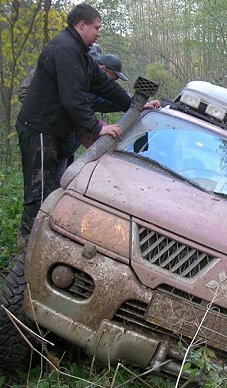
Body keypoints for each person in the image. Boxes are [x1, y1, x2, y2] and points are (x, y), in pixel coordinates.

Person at [15, 3, 158, 251]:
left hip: (57, 134)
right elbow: (73, 98)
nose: (99, 32)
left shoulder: (80, 54)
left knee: (53, 194)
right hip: (40, 130)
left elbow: (103, 84)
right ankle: (26, 253)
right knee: (38, 195)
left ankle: (43, 246)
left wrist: (133, 105)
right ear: (81, 25)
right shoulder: (64, 49)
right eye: (96, 27)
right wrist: (96, 126)